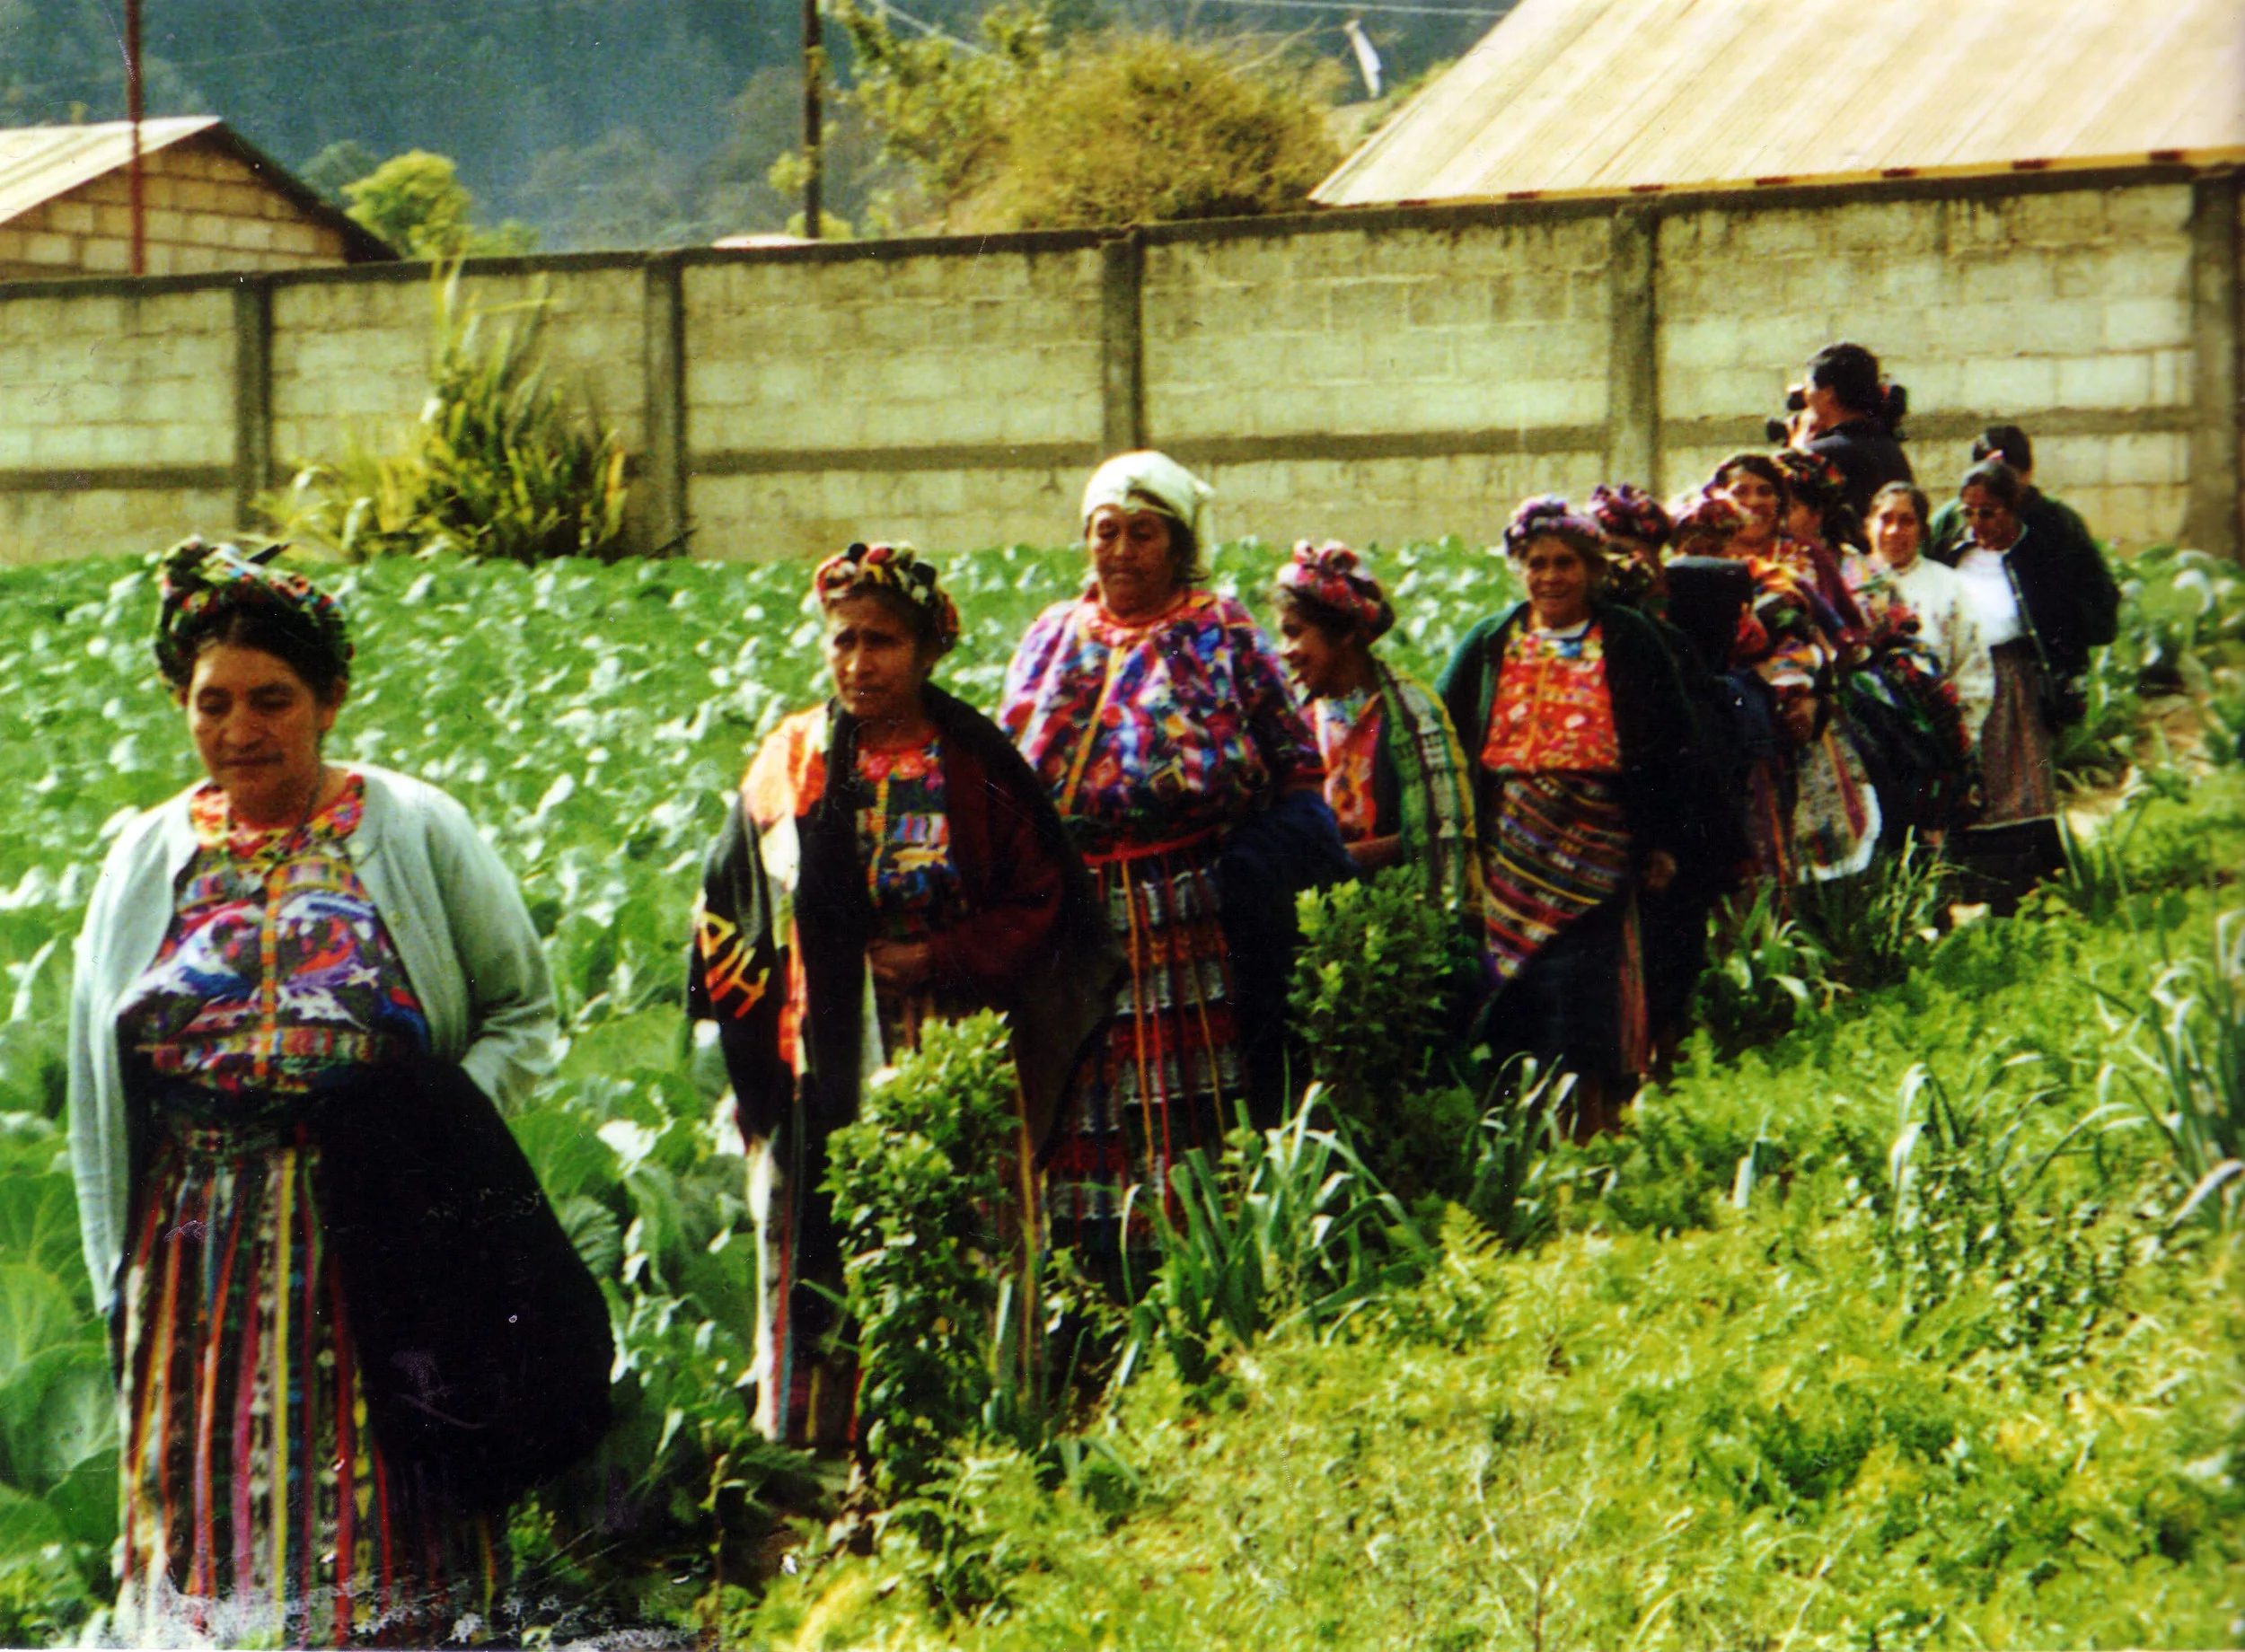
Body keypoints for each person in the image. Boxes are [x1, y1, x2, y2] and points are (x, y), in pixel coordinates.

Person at [66, 540, 563, 1647]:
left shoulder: (412, 829)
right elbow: (99, 1096)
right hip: (195, 1246)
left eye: (271, 699)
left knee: (385, 1500)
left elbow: (523, 1013)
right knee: (208, 1511)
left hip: (380, 1230)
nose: (239, 729)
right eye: (212, 702)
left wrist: (436, 1135)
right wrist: (120, 1275)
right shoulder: (146, 860)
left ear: (331, 698)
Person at [689, 542, 1117, 1448]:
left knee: (962, 1229)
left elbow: (1042, 898)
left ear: (927, 650)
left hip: (949, 1044)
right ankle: (820, 1451)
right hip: (823, 1046)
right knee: (820, 1226)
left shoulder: (974, 763)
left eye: (881, 642)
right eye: (843, 640)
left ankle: (967, 1437)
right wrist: (759, 1052)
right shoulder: (791, 757)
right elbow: (727, 909)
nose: (857, 663)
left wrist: (940, 956)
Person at [999, 453, 1339, 1253]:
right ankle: (1092, 1262)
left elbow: (1295, 762)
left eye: (1142, 534)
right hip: (1073, 909)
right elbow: (1007, 767)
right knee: (1085, 1081)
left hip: (1184, 902)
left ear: (1180, 543)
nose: (1119, 552)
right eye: (1105, 533)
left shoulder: (1220, 632)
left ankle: (1195, 1258)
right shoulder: (1053, 635)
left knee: (1184, 1094)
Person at [1437, 497, 1695, 1137]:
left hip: (1600, 849)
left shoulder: (1630, 639)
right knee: (1518, 994)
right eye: (1537, 563)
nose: (1550, 577)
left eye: (1565, 563)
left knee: (1587, 999)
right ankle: (1527, 1135)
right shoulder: (1492, 641)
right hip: (1511, 855)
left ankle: (1594, 1129)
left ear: (1592, 569)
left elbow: (1672, 743)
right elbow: (1443, 729)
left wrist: (1662, 839)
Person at [1271, 539, 1477, 912]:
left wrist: (1335, 859)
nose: (1285, 651)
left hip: (1399, 915)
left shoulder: (1413, 713)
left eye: (1294, 632)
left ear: (1344, 634)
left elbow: (1436, 835)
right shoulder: (1297, 720)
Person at [1931, 461, 2102, 906]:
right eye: (1968, 513)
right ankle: (1972, 887)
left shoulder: (2038, 556)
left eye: (1988, 513)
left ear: (2013, 510)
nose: (1976, 523)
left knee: (2020, 783)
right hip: (1966, 679)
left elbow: (2066, 627)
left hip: (2015, 680)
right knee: (1974, 785)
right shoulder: (1953, 555)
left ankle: (2026, 889)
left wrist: (2067, 683)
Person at [1711, 453, 1879, 881]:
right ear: (1719, 499)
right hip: (1731, 716)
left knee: (1811, 846)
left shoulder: (1806, 558)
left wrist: (1811, 689)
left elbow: (1845, 635)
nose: (1754, 501)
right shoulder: (1703, 558)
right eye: (1741, 491)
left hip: (1806, 714)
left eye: (1765, 491)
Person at [1792, 340, 1914, 516]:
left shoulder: (1821, 455)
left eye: (1808, 387)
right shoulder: (1891, 450)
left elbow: (1785, 504)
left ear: (1828, 394)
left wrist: (1798, 448)